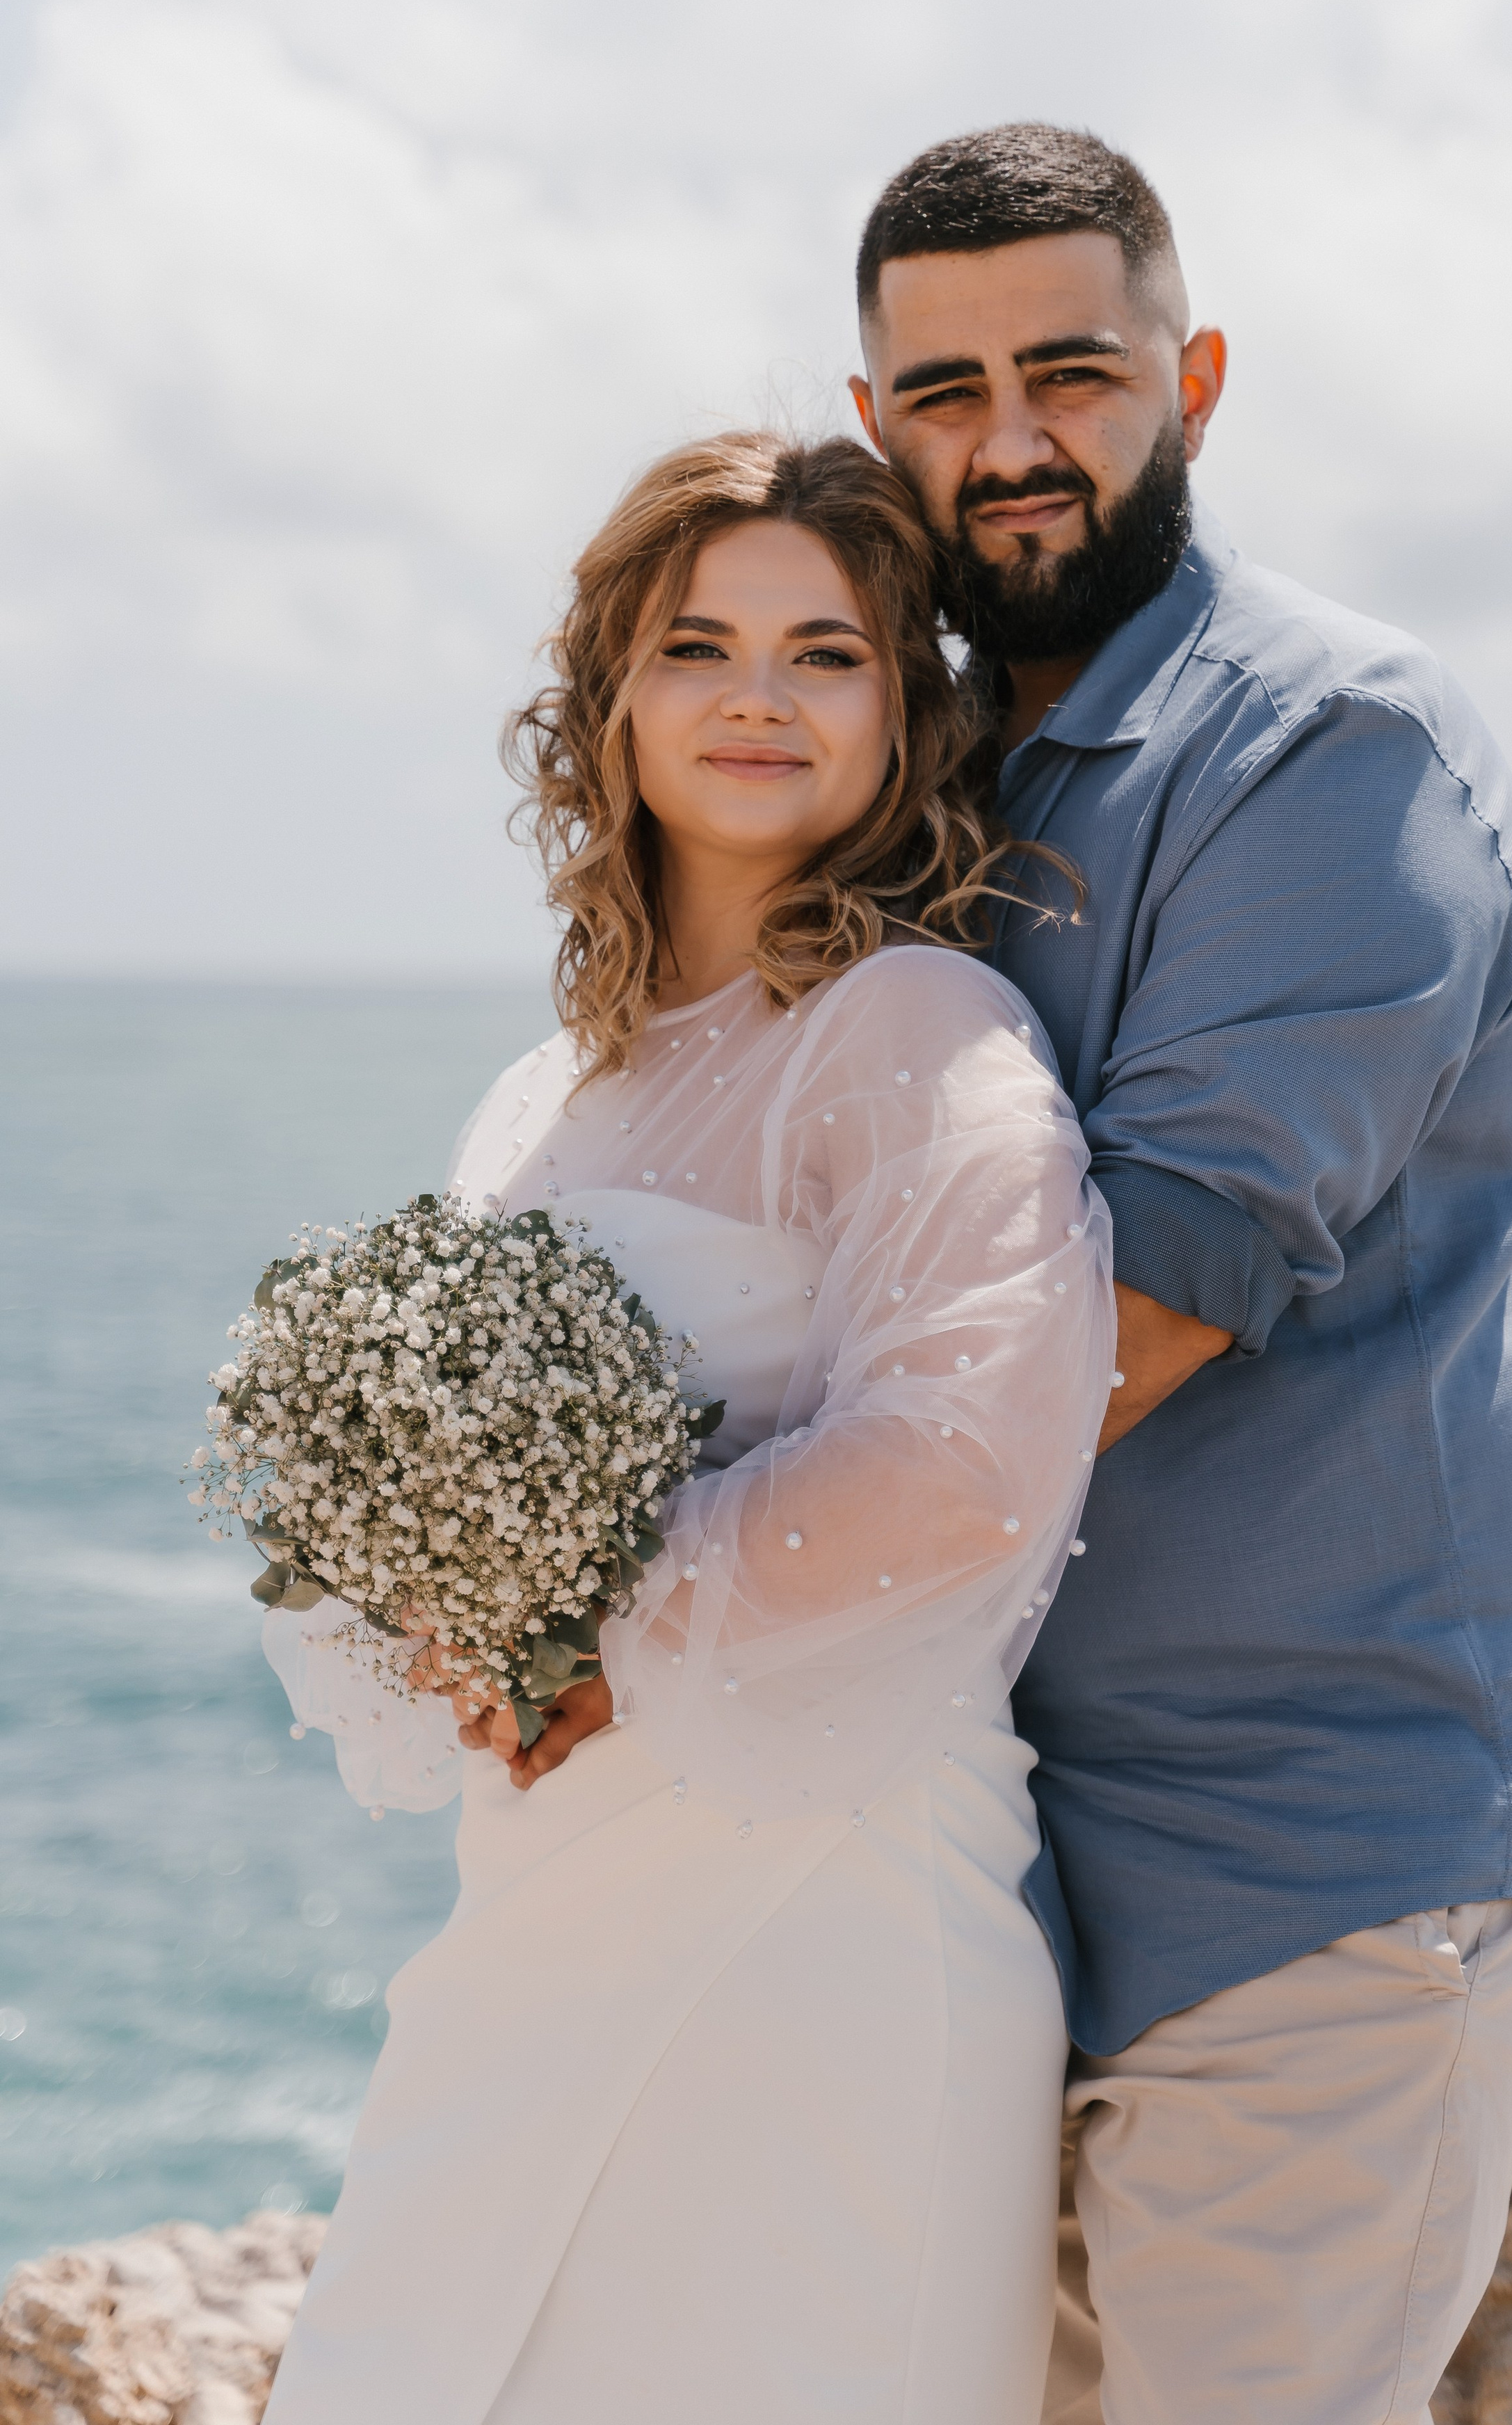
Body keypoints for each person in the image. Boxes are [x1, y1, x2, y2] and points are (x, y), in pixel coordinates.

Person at [844, 124, 1512, 2425]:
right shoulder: (922, 780)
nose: (1009, 445)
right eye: (943, 392)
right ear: (872, 420)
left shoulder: (1329, 751)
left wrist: (659, 1565)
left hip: (1334, 1859)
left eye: (1073, 374)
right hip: (1012, 1858)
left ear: (1192, 377)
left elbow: (1123, 1322)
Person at [259, 432, 1117, 2425]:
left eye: (824, 655)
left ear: (903, 712)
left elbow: (972, 1462)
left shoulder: (921, 1035)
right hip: (546, 1896)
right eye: (698, 644)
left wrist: (599, 1631)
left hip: (829, 1908)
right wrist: (449, 1634)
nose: (754, 696)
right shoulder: (547, 1093)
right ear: (612, 698)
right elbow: (421, 1461)